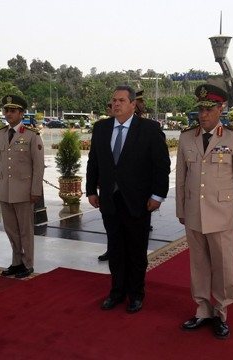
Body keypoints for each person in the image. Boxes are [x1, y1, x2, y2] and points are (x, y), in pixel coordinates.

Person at [176, 84, 233, 339]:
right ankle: (202, 310)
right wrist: (181, 209)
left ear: (221, 108)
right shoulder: (187, 137)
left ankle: (221, 313)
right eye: (201, 109)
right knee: (198, 265)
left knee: (223, 267)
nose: (203, 114)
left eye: (209, 109)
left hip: (221, 214)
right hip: (194, 213)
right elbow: (181, 178)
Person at [86, 85, 170, 313]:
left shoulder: (150, 129)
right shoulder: (101, 128)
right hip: (110, 201)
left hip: (138, 201)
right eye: (114, 100)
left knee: (136, 250)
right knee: (115, 248)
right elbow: (94, 161)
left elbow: (161, 166)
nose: (116, 104)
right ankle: (116, 291)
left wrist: (157, 195)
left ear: (133, 104)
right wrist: (91, 190)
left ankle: (136, 294)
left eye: (121, 100)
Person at [0, 94, 45, 278]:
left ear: (22, 113)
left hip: (24, 192)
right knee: (11, 230)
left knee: (25, 230)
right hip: (5, 191)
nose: (8, 114)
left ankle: (28, 264)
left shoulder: (31, 136)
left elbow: (38, 167)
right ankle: (16, 262)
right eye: (6, 110)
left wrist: (35, 191)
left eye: (13, 111)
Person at [97, 101, 114, 262]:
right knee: (109, 221)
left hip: (131, 190)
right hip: (107, 188)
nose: (111, 109)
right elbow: (95, 160)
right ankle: (112, 248)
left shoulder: (141, 128)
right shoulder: (102, 128)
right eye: (109, 106)